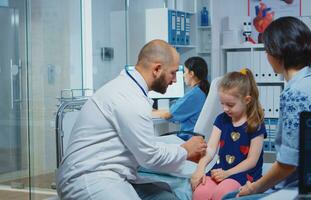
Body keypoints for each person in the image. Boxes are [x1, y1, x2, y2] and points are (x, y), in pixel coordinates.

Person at [55, 39, 207, 200]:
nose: (175, 79)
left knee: (166, 197)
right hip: (88, 177)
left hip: (112, 172)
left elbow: (145, 147)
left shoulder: (130, 90)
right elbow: (150, 157)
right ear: (157, 69)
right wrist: (185, 150)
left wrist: (182, 150)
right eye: (173, 72)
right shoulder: (129, 97)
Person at [237, 17, 311, 198]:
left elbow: (288, 164)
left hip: (300, 188)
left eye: (267, 51)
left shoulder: (295, 94)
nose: (266, 57)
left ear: (277, 53)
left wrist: (254, 188)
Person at [190, 68, 267, 200]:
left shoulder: (255, 124)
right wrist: (200, 169)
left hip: (243, 173)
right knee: (200, 193)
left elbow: (252, 161)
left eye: (230, 105)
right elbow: (211, 148)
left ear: (247, 100)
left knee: (222, 193)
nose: (225, 108)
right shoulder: (221, 119)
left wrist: (227, 173)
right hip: (220, 170)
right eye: (222, 104)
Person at [153, 56, 210, 140]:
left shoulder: (194, 95)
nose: (183, 75)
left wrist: (153, 111)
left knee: (155, 141)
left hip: (189, 138)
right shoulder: (203, 91)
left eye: (185, 72)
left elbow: (168, 115)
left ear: (191, 74)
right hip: (197, 137)